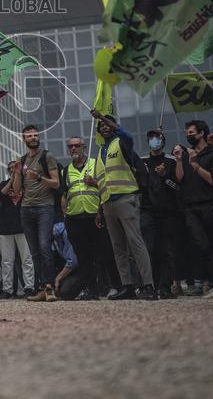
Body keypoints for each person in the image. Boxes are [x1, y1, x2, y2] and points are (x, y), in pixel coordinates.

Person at [91, 111, 157, 300]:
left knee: (135, 242)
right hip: (107, 204)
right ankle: (127, 286)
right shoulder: (100, 151)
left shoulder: (122, 142)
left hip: (126, 198)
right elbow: (102, 181)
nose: (104, 126)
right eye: (101, 125)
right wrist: (99, 210)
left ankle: (148, 285)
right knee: (118, 247)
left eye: (107, 124)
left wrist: (102, 118)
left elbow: (127, 135)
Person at [173, 121, 213, 299]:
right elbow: (179, 178)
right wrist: (180, 160)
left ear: (202, 133)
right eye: (187, 132)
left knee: (212, 245)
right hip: (190, 207)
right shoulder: (186, 155)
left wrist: (196, 165)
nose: (188, 135)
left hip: (209, 205)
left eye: (191, 132)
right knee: (201, 245)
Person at [12, 124, 61, 302]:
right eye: (29, 136)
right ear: (23, 139)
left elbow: (56, 183)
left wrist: (39, 178)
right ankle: (41, 288)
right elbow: (17, 191)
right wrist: (17, 174)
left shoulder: (47, 156)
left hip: (44, 208)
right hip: (26, 209)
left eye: (35, 135)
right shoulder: (23, 159)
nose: (33, 138)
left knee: (44, 247)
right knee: (34, 252)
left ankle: (50, 287)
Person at [139, 129, 181, 299]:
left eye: (157, 137)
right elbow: (140, 185)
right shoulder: (142, 161)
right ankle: (149, 286)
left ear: (163, 140)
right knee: (148, 249)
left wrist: (164, 177)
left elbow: (177, 186)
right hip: (147, 210)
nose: (154, 140)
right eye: (151, 137)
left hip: (167, 211)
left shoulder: (171, 161)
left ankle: (165, 287)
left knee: (166, 250)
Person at [60, 136, 103, 300]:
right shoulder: (65, 171)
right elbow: (64, 195)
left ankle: (103, 287)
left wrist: (94, 182)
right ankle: (90, 289)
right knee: (82, 256)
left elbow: (106, 186)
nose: (73, 149)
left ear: (84, 147)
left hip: (94, 215)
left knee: (97, 254)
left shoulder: (95, 164)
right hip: (75, 218)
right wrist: (65, 214)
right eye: (70, 146)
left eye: (77, 146)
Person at [0, 161, 35, 298]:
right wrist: (12, 179)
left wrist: (19, 177)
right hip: (5, 228)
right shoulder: (3, 184)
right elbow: (0, 196)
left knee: (27, 259)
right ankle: (8, 290)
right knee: (7, 261)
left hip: (23, 227)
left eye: (16, 168)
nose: (13, 170)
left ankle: (29, 287)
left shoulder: (26, 185)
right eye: (11, 168)